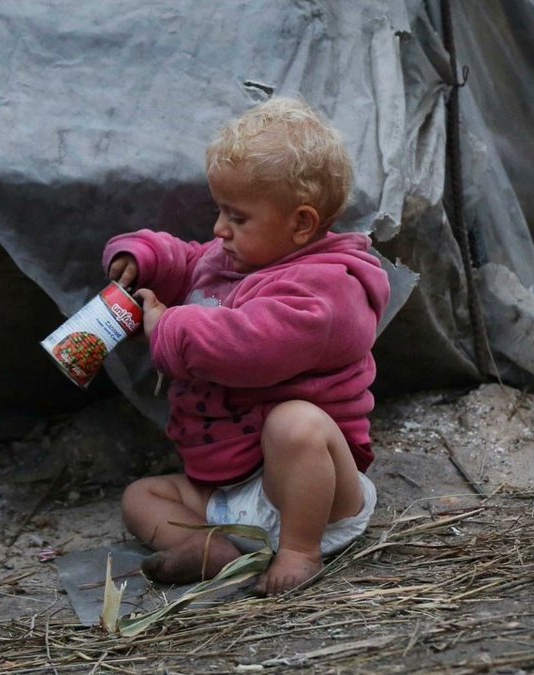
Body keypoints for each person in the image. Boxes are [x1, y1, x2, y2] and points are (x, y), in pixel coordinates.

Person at [103, 98, 390, 595]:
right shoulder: (241, 254)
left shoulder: (326, 290)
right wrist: (146, 260)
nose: (219, 229)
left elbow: (246, 346)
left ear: (301, 223)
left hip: (310, 494)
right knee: (142, 497)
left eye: (236, 217)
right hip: (229, 488)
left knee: (295, 423)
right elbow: (194, 263)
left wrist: (169, 328)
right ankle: (219, 551)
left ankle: (300, 552)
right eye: (219, 211)